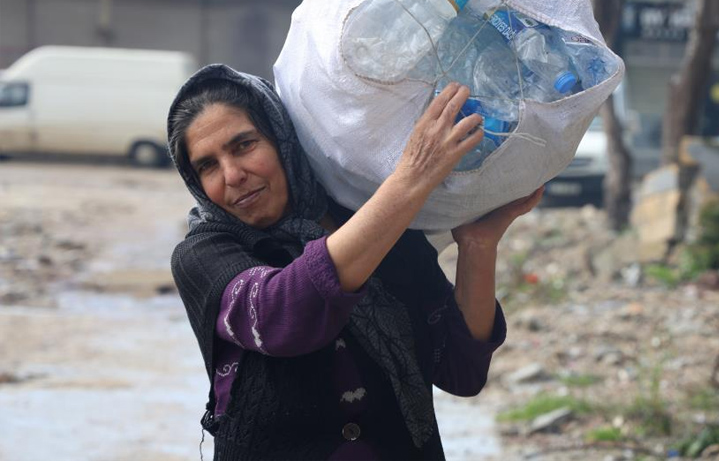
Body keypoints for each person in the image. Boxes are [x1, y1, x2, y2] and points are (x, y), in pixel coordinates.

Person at [167, 64, 543, 460]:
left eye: (244, 145)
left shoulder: (374, 224)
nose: (232, 175)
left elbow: (461, 372)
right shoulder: (203, 254)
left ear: (282, 140)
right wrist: (410, 178)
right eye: (207, 165)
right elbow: (279, 314)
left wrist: (478, 247)